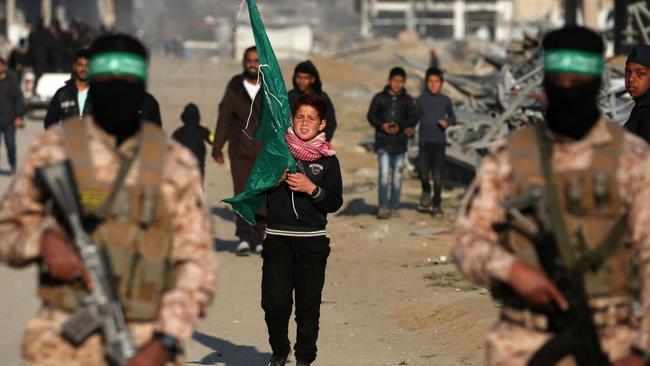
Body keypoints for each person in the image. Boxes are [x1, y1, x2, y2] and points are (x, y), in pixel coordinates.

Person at [0, 33, 216, 366]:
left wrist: (164, 342)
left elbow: (198, 264)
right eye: (107, 82)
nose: (117, 92)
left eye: (126, 83)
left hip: (145, 343)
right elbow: (8, 230)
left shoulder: (174, 163)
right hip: (62, 343)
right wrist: (43, 242)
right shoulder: (54, 150)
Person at [453, 26, 650, 366]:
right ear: (546, 82)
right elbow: (467, 241)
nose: (569, 90)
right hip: (524, 342)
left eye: (579, 82)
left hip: (613, 343)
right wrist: (512, 269)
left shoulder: (632, 159)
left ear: (596, 84)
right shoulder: (511, 155)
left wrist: (641, 347)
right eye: (561, 81)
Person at [263, 93, 342, 366]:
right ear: (292, 120)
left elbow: (334, 201)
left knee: (308, 307)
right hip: (277, 240)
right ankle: (280, 349)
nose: (304, 123)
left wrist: (313, 189)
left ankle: (305, 359)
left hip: (312, 243)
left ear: (322, 124)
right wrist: (273, 181)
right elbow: (255, 192)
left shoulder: (329, 160)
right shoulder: (276, 154)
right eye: (299, 117)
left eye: (311, 118)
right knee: (274, 304)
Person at [212, 46, 266, 256]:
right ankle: (244, 238)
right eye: (249, 60)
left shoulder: (270, 85)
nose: (252, 64)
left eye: (256, 61)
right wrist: (218, 146)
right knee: (243, 194)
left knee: (261, 195)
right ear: (244, 62)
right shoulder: (235, 85)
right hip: (240, 149)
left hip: (263, 150)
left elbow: (279, 118)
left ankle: (260, 237)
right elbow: (225, 116)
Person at [366, 66, 416, 219]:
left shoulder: (407, 100)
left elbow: (413, 118)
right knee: (384, 176)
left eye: (400, 81)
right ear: (389, 80)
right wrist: (382, 125)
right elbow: (371, 115)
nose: (397, 84)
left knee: (397, 178)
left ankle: (394, 207)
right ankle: (383, 207)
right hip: (383, 144)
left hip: (400, 146)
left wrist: (401, 126)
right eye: (395, 81)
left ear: (404, 82)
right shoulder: (379, 98)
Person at [415, 67, 455, 216]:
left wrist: (447, 122)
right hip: (424, 141)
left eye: (436, 81)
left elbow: (453, 117)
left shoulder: (445, 100)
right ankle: (426, 190)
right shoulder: (420, 100)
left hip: (439, 142)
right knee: (423, 174)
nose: (433, 84)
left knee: (438, 176)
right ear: (426, 83)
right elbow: (414, 118)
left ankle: (437, 205)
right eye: (430, 81)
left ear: (441, 83)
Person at [287, 60, 337, 141]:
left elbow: (331, 123)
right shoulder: (289, 96)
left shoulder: (322, 97)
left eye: (306, 78)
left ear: (312, 79)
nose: (301, 81)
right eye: (298, 77)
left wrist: (321, 142)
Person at [44, 48, 91, 129]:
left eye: (87, 66)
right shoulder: (62, 94)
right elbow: (50, 121)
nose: (83, 69)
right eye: (80, 65)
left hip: (92, 140)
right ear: (74, 67)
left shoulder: (100, 94)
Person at [172, 103, 212, 178]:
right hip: (198, 164)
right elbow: (213, 140)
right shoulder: (202, 130)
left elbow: (170, 145)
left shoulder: (179, 132)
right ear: (198, 117)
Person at [0, 57, 25, 174]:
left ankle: (12, 164)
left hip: (9, 119)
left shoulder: (12, 78)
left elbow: (19, 98)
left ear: (4, 66)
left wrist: (19, 116)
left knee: (10, 144)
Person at [624, 44, 650, 144]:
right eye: (628, 72)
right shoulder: (640, 106)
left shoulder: (647, 113)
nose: (631, 79)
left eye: (640, 73)